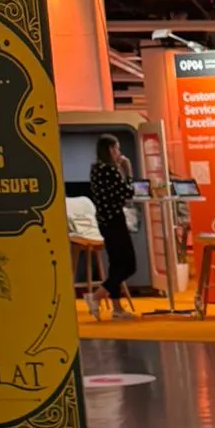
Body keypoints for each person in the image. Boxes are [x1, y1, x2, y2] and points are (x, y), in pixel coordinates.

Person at [88, 134, 136, 315]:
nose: (119, 152)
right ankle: (97, 295)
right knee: (129, 265)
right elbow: (127, 193)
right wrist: (128, 172)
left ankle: (117, 308)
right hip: (115, 220)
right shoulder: (110, 170)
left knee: (116, 264)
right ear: (110, 149)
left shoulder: (96, 169)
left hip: (104, 221)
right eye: (117, 148)